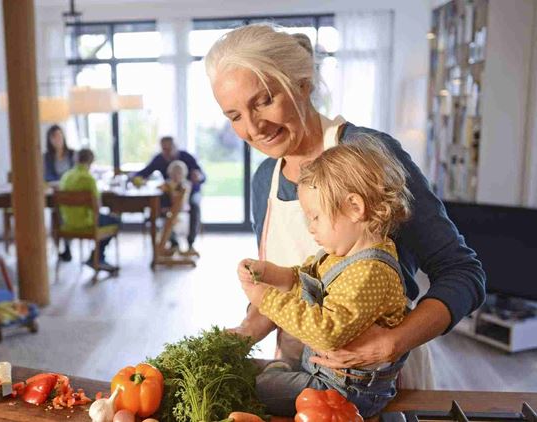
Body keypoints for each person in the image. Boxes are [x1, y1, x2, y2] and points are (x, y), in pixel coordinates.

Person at [205, 23, 485, 390]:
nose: (254, 127)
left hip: (380, 382)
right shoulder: (265, 179)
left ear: (302, 85)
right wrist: (243, 332)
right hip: (299, 380)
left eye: (264, 100)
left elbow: (463, 272)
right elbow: (294, 288)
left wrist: (393, 342)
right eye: (235, 115)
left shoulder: (368, 154)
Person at [238, 140, 411, 417]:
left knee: (248, 387)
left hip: (346, 391)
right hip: (323, 374)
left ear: (355, 207)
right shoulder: (340, 254)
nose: (310, 228)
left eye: (315, 217)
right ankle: (280, 373)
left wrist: (265, 298)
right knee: (263, 377)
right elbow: (305, 279)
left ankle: (277, 374)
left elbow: (326, 332)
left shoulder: (370, 272)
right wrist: (270, 273)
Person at [135, 136, 205, 254]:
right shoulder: (159, 159)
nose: (166, 152)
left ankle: (190, 243)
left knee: (194, 205)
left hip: (190, 192)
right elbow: (144, 173)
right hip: (169, 194)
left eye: (169, 148)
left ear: (175, 147)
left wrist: (198, 177)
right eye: (164, 149)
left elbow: (202, 176)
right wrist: (134, 178)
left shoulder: (187, 157)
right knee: (159, 206)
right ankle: (173, 242)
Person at [59, 148, 120, 272]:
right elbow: (98, 206)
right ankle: (97, 257)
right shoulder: (88, 179)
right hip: (87, 223)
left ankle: (95, 257)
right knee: (115, 220)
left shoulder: (66, 176)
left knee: (106, 219)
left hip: (67, 224)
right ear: (91, 161)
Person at [43, 125, 76, 261]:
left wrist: (65, 182)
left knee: (64, 213)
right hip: (55, 192)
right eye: (54, 136)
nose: (57, 139)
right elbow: (47, 176)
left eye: (59, 135)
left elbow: (75, 173)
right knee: (56, 214)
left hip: (71, 192)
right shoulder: (47, 157)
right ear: (50, 139)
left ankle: (67, 246)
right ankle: (61, 248)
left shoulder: (72, 154)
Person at [160, 160, 192, 253]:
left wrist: (171, 190)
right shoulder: (167, 184)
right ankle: (172, 244)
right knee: (165, 220)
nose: (176, 176)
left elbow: (180, 201)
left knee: (170, 222)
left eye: (179, 173)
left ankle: (174, 244)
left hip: (180, 211)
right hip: (169, 211)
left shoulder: (184, 185)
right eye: (173, 173)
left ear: (183, 174)